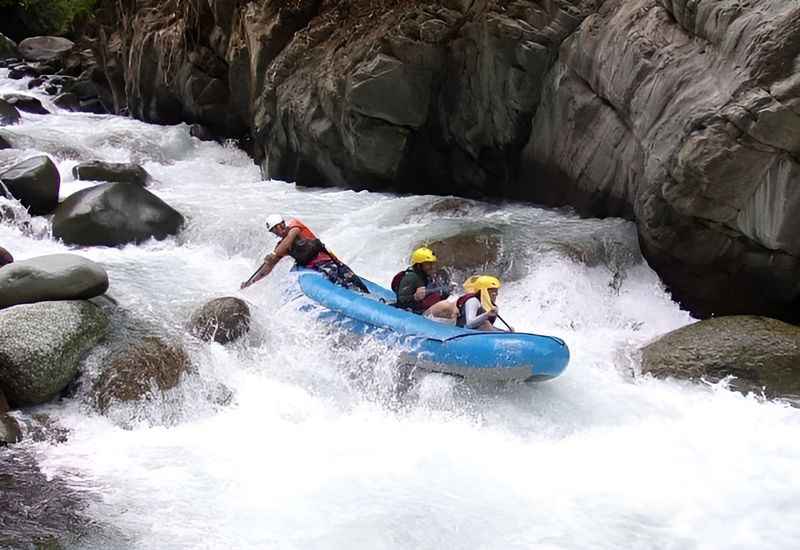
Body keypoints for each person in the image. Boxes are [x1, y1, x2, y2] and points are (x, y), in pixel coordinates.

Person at [240, 214, 368, 292]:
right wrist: (250, 283)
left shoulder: (295, 227)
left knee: (355, 283)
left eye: (279, 226)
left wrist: (273, 255)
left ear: (283, 223)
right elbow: (266, 269)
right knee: (341, 284)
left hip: (330, 262)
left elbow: (289, 240)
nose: (278, 231)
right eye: (274, 230)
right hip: (317, 268)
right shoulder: (281, 246)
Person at [391, 247, 457, 323]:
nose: (432, 266)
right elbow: (402, 300)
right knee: (446, 306)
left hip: (422, 310)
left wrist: (445, 293)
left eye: (432, 263)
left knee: (455, 304)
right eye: (428, 264)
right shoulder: (411, 277)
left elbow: (430, 296)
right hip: (415, 313)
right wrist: (414, 297)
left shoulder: (426, 276)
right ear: (419, 265)